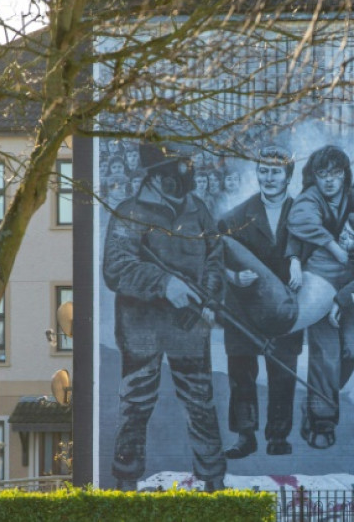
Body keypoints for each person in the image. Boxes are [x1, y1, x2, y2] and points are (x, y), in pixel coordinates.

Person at [103, 143, 225, 491]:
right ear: (156, 176)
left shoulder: (197, 210)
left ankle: (214, 481)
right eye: (179, 168)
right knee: (136, 404)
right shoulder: (129, 213)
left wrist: (209, 298)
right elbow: (116, 267)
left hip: (189, 326)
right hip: (141, 329)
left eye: (188, 165)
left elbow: (215, 256)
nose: (187, 173)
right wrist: (164, 284)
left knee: (200, 402)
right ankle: (126, 481)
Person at [218, 146, 303, 459]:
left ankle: (278, 435)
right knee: (242, 372)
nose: (268, 178)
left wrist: (299, 263)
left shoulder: (304, 214)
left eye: (275, 172)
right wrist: (232, 276)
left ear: (288, 176)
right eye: (263, 171)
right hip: (243, 306)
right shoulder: (235, 218)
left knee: (283, 371)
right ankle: (245, 436)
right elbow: (212, 258)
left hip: (286, 306)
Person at [286, 144, 354, 449]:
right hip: (318, 282)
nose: (329, 180)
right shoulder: (309, 198)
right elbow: (299, 222)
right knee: (326, 354)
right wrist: (332, 246)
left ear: (345, 175)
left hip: (351, 287)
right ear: (313, 176)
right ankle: (322, 422)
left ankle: (319, 397)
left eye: (336, 173)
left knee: (351, 352)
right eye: (322, 173)